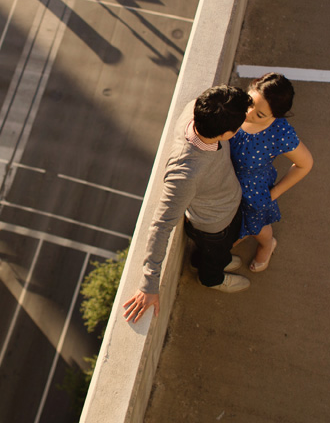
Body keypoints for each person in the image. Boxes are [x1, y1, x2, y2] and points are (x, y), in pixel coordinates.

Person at [123, 85, 253, 323]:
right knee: (216, 254)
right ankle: (212, 278)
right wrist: (149, 284)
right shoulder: (185, 173)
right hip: (214, 225)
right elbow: (160, 225)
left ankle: (213, 260)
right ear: (226, 134)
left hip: (226, 206)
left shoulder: (197, 110)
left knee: (218, 253)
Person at [231, 72, 313, 272]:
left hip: (252, 190)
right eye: (249, 103)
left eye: (259, 114)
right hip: (225, 180)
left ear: (275, 116)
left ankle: (267, 244)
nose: (248, 113)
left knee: (257, 225)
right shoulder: (235, 105)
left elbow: (306, 164)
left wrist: (274, 193)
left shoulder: (280, 133)